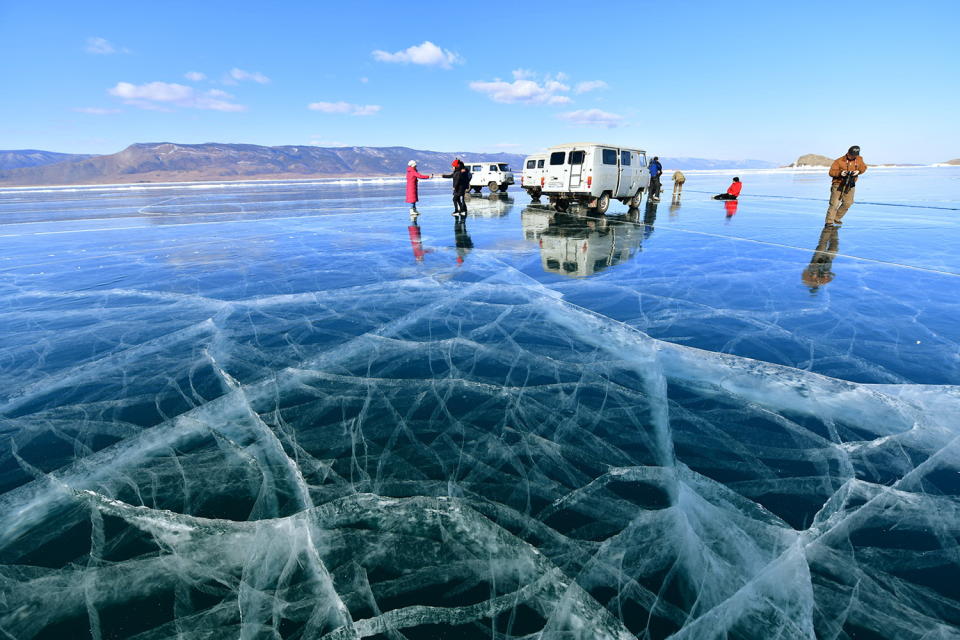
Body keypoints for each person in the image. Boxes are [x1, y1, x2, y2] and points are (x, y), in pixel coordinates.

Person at [824, 145, 867, 227]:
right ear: (848, 153)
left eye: (855, 155)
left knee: (848, 203)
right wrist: (840, 173)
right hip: (838, 184)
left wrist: (858, 171)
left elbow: (864, 168)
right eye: (852, 155)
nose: (853, 157)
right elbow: (831, 172)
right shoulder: (839, 161)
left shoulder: (859, 159)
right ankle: (829, 222)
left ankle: (836, 218)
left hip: (851, 184)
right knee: (834, 203)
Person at [802, 225, 840, 292]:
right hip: (827, 262)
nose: (815, 284)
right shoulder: (822, 282)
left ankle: (828, 228)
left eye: (814, 286)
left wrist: (813, 273)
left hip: (816, 260)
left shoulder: (806, 280)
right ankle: (834, 230)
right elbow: (831, 276)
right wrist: (826, 275)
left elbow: (806, 270)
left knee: (822, 245)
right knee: (834, 246)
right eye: (816, 286)